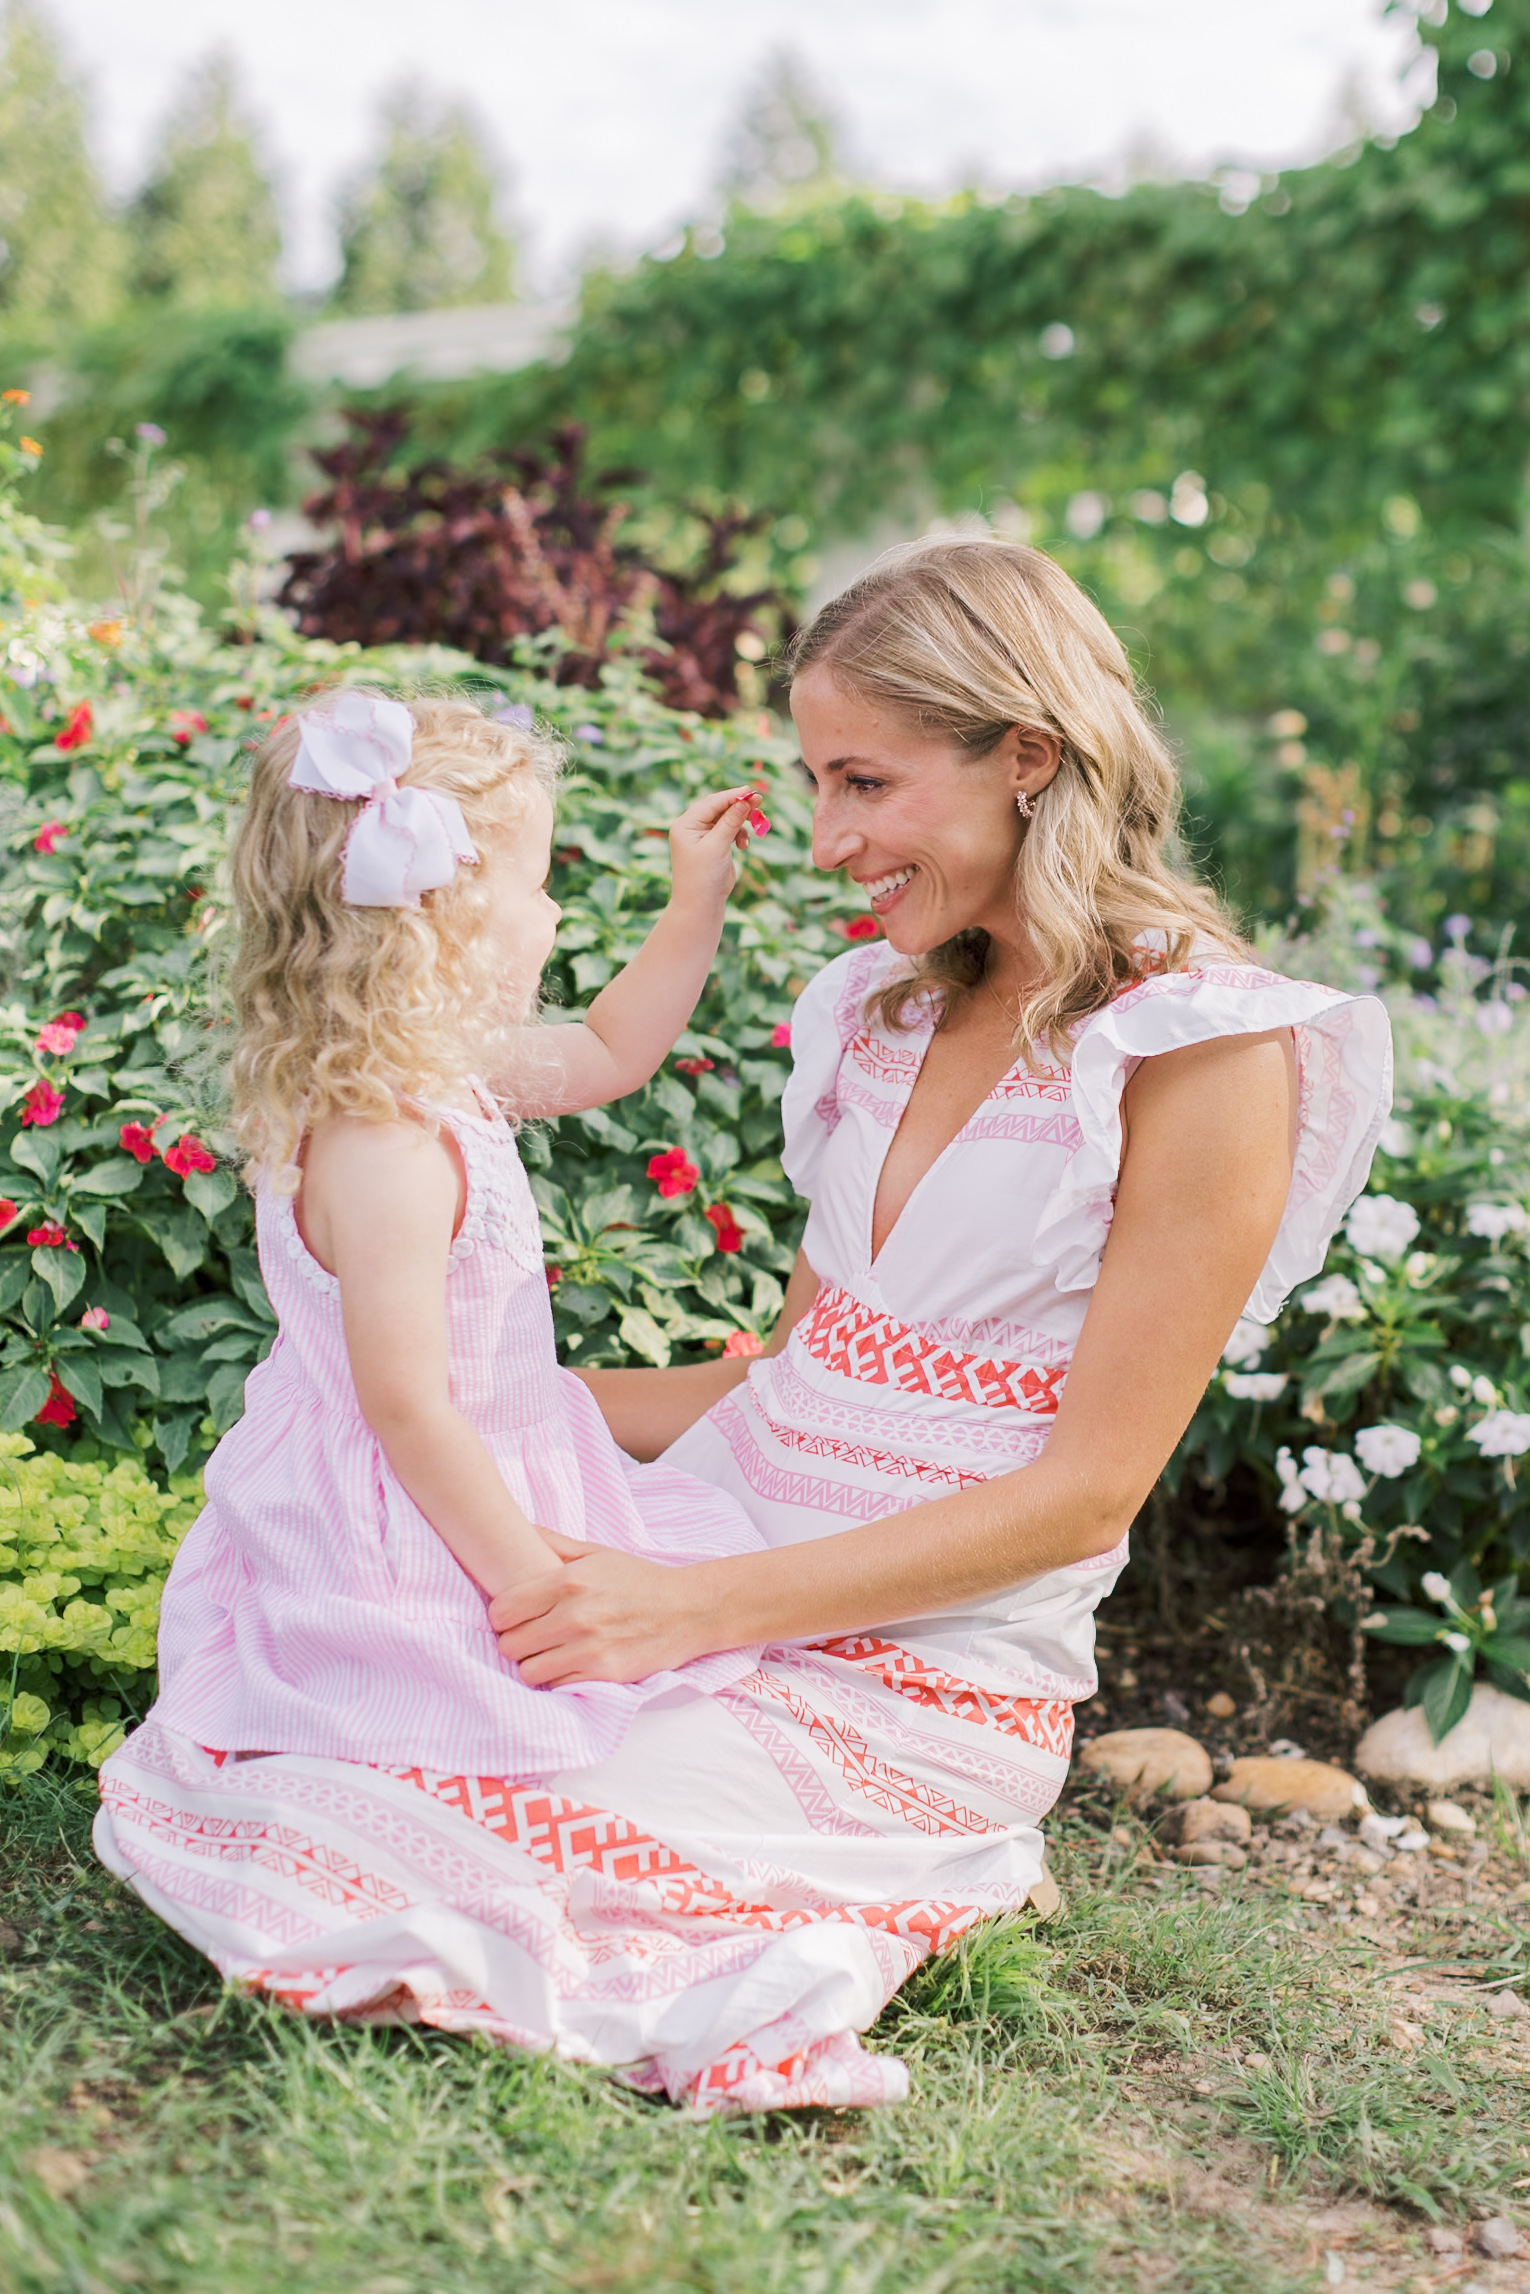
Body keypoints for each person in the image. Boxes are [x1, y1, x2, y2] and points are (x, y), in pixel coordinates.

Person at [97, 545, 1391, 2116]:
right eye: (811, 780)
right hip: (696, 1545)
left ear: (1028, 759)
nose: (829, 839)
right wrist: (469, 1398)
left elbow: (1086, 1492)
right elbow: (782, 1380)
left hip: (909, 1650)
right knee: (336, 1763)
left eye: (865, 781)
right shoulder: (878, 1009)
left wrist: (687, 1612)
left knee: (468, 1843)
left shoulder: (1202, 1052)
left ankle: (885, 1834)